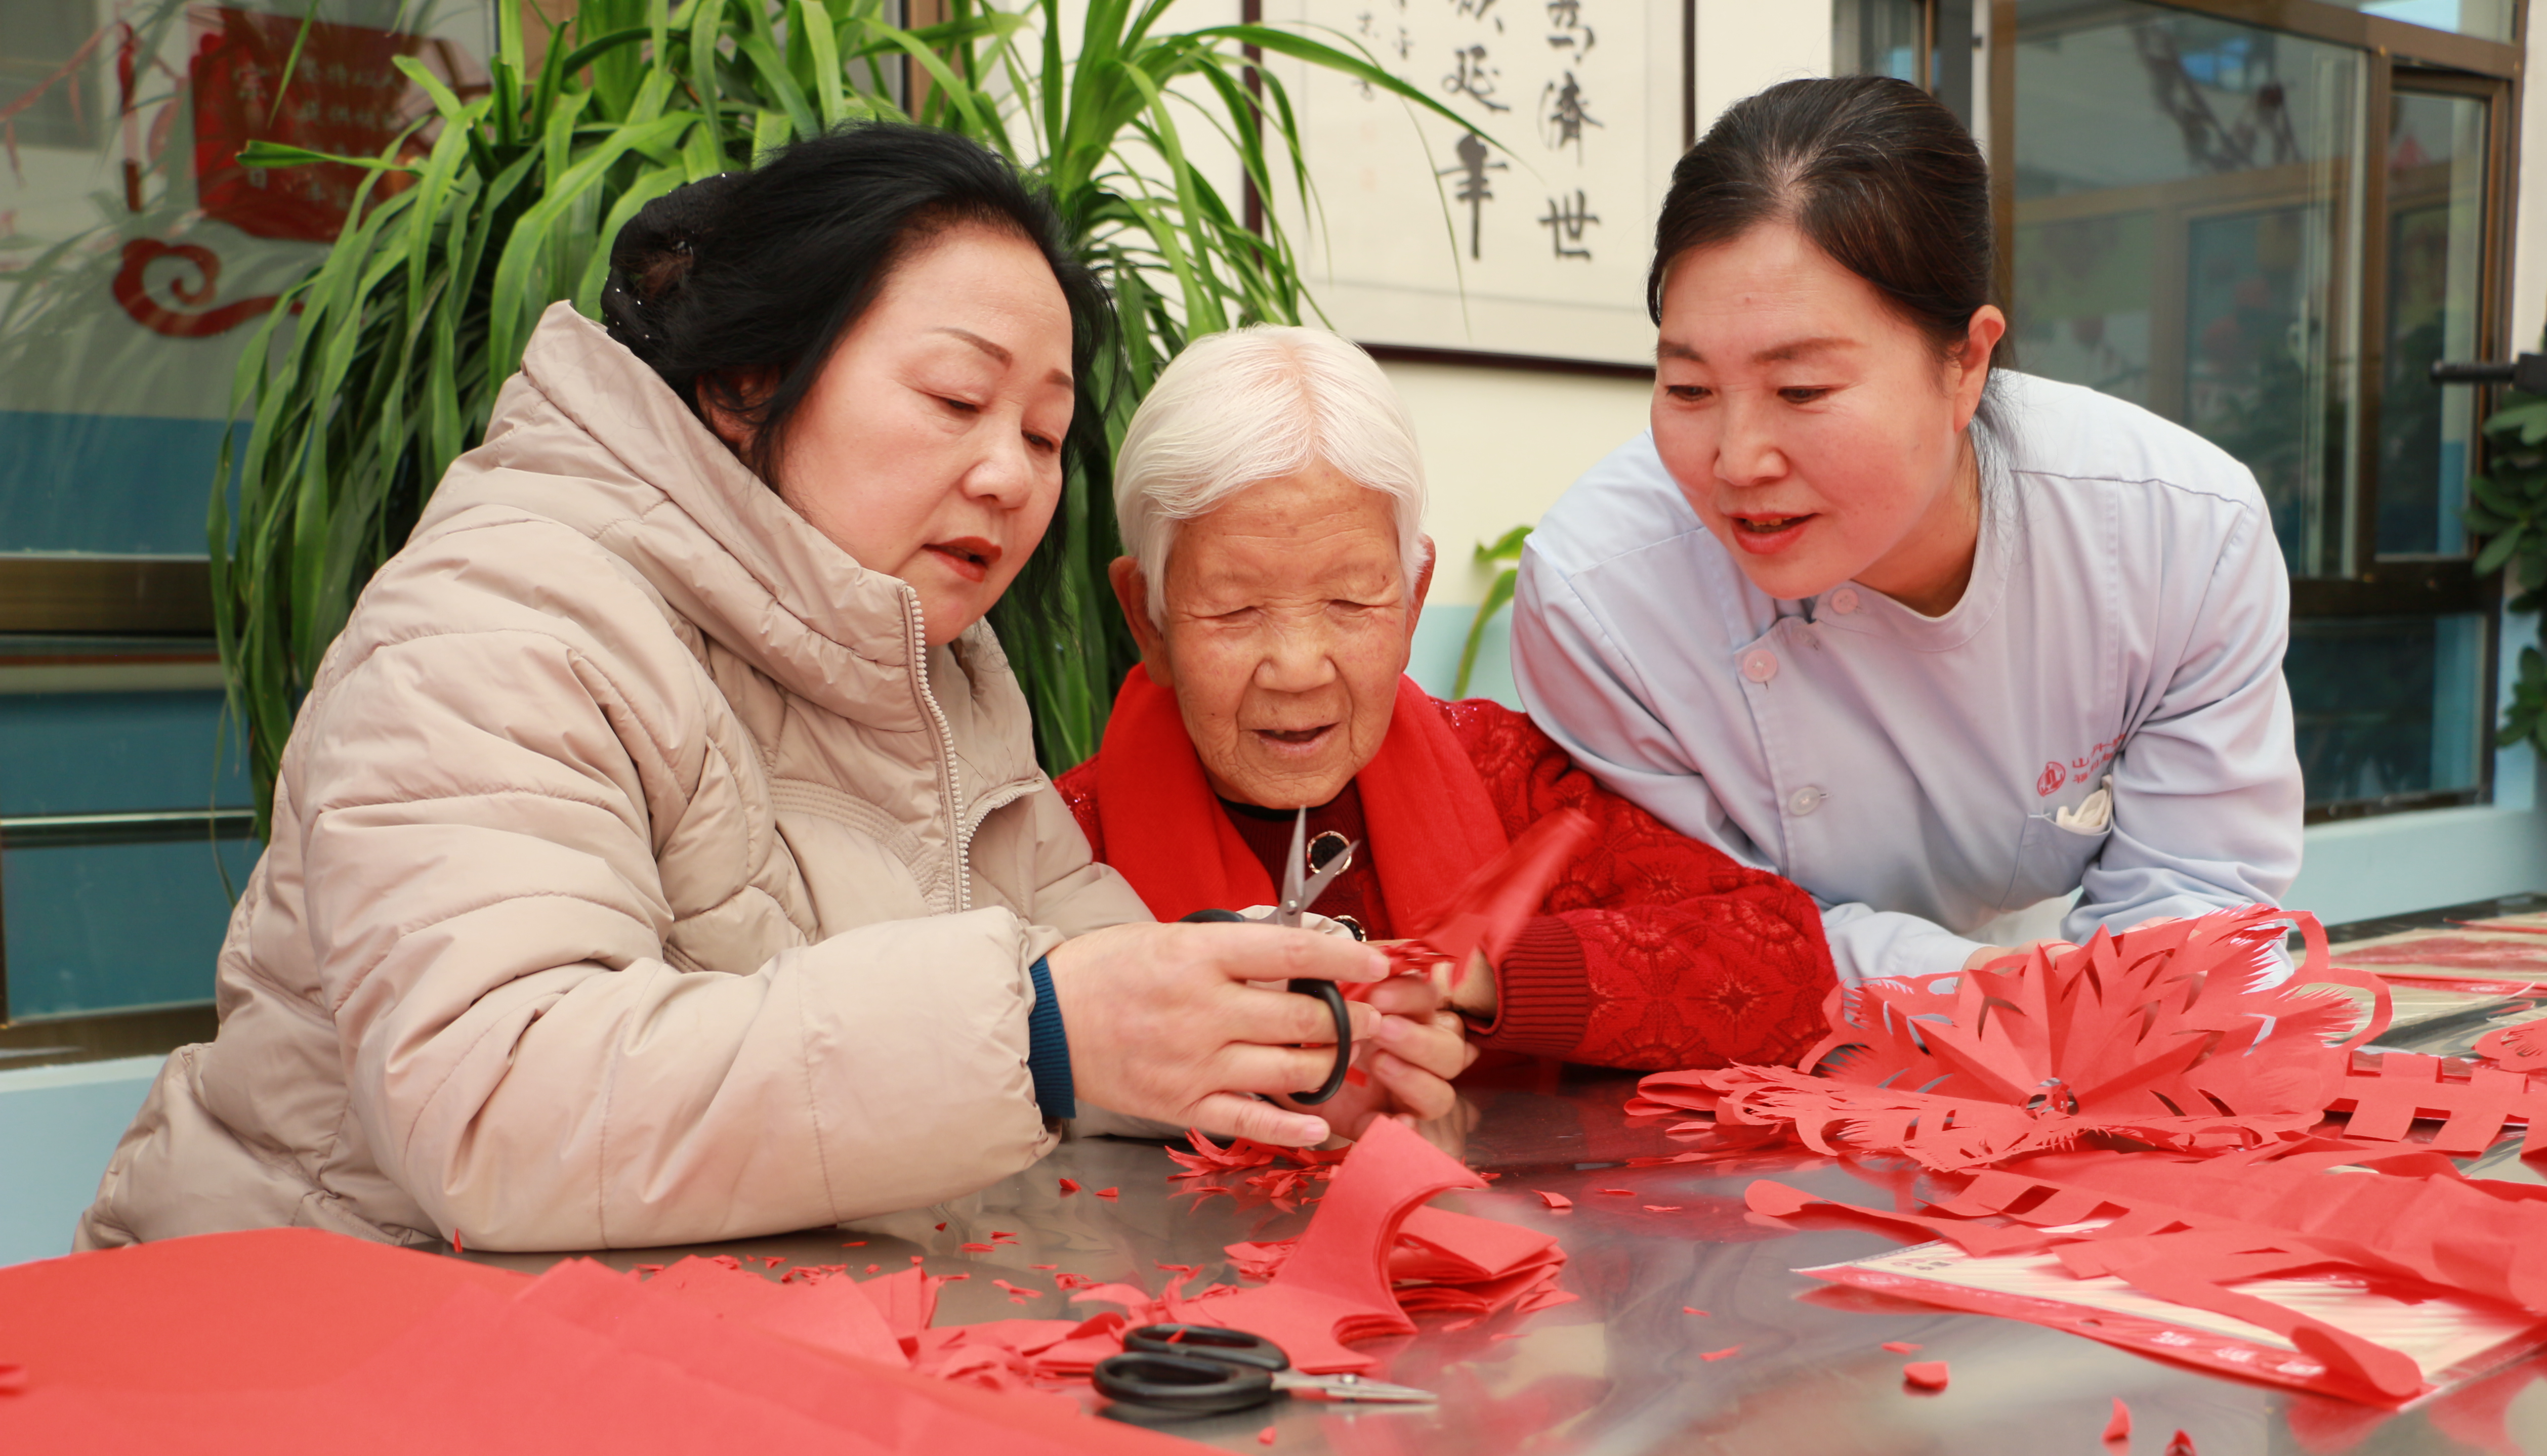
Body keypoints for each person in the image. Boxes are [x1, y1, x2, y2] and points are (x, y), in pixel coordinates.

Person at [80, 125, 1463, 1255]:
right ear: (754, 379)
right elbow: (497, 1107)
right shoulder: (503, 617)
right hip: (317, 1357)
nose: (1009, 474)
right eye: (954, 401)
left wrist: (1258, 1060)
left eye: (1044, 432)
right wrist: (1041, 1033)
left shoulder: (939, 669)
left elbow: (1085, 970)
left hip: (654, 1365)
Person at [1510, 76, 2304, 986]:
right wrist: (1994, 999)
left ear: (1966, 363)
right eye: (1688, 389)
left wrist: (2083, 1026)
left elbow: (2199, 899)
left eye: (1801, 389)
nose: (1737, 462)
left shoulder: (2177, 533)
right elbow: (1698, 934)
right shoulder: (1599, 596)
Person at [1054, 325, 1839, 1074]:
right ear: (1147, 618)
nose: (1296, 668)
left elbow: (1787, 959)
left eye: (1352, 602)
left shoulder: (1511, 779)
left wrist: (1477, 973)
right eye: (1234, 610)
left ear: (1413, 601)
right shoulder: (1060, 843)